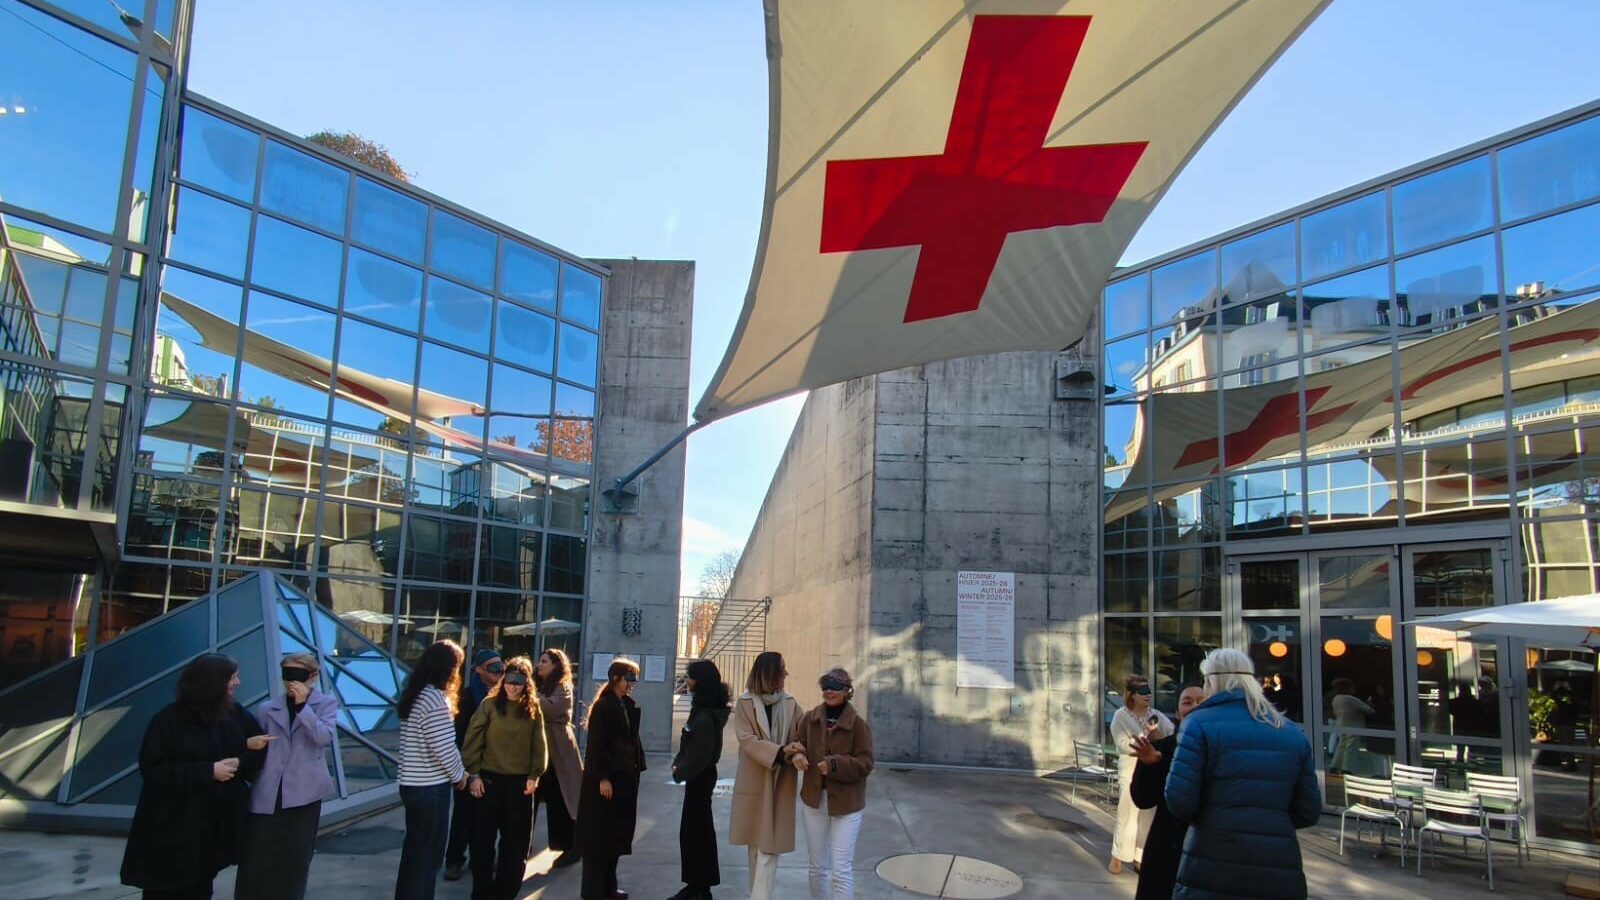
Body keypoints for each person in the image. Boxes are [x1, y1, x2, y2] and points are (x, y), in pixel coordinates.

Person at [1165, 648, 1322, 899]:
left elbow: (1179, 800)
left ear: (1211, 681)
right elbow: (1309, 810)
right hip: (1278, 865)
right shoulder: (1290, 731)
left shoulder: (1198, 723)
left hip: (1212, 860)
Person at [121, 653, 273, 899]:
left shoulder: (234, 714)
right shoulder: (168, 720)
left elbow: (254, 751)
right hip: (172, 828)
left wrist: (238, 761)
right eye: (232, 678)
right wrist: (208, 771)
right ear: (213, 682)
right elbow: (153, 767)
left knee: (201, 885)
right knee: (168, 888)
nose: (238, 683)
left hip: (212, 829)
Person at [236, 653, 338, 900]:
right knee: (256, 858)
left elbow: (323, 737)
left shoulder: (325, 704)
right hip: (268, 790)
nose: (291, 681)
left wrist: (303, 708)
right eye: (287, 674)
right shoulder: (267, 708)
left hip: (304, 793)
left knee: (294, 858)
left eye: (298, 674)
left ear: (312, 676)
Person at [462, 655, 547, 900]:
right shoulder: (489, 706)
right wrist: (473, 774)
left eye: (519, 682)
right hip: (489, 781)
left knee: (516, 844)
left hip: (520, 784)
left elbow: (539, 745)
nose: (513, 686)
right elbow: (472, 740)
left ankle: (506, 893)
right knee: (482, 842)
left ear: (526, 684)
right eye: (509, 681)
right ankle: (482, 891)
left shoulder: (532, 709)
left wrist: (535, 774)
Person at [787, 667, 875, 900]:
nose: (829, 691)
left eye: (835, 687)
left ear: (847, 691)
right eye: (825, 686)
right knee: (816, 867)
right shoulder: (811, 718)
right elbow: (797, 742)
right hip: (814, 802)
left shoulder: (858, 725)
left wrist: (835, 765)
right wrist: (796, 755)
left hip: (847, 805)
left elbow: (866, 763)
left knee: (841, 870)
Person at [393, 640, 469, 900]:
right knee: (428, 856)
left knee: (415, 853)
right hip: (430, 787)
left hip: (412, 784)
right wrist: (460, 775)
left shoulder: (415, 693)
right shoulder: (435, 699)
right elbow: (444, 747)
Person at [729, 651, 803, 900]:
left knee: (769, 849)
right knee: (754, 846)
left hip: (781, 782)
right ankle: (757, 894)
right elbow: (747, 740)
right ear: (770, 673)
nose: (786, 674)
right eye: (782, 669)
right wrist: (781, 752)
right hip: (754, 781)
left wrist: (795, 752)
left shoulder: (791, 703)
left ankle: (759, 897)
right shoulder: (745, 703)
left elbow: (800, 736)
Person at [575, 657, 646, 900]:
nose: (633, 683)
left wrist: (638, 765)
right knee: (598, 841)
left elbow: (631, 740)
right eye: (629, 678)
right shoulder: (604, 706)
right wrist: (602, 777)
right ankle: (594, 892)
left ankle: (608, 888)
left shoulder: (624, 704)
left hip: (623, 781)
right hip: (606, 783)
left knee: (613, 839)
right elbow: (596, 747)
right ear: (616, 679)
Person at [1129, 685, 1204, 900]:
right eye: (1187, 702)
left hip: (1205, 852)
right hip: (1165, 853)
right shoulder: (1163, 747)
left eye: (1201, 701)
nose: (1194, 706)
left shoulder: (1222, 749)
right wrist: (1148, 765)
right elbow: (1142, 800)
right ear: (1178, 710)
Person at [669, 659, 732, 900]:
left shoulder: (706, 717)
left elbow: (699, 756)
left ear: (702, 682)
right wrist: (680, 761)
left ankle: (699, 887)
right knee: (695, 831)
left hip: (699, 778)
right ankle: (696, 885)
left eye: (692, 677)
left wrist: (679, 771)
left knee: (696, 833)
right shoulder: (703, 710)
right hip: (700, 777)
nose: (689, 681)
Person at [446, 649, 504, 881]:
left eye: (501, 667)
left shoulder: (503, 696)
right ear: (478, 669)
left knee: (488, 820)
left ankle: (480, 860)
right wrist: (466, 771)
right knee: (463, 816)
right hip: (469, 766)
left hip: (494, 767)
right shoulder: (468, 696)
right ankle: (454, 861)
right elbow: (459, 735)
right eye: (493, 667)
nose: (498, 672)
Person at [1108, 674, 1173, 874]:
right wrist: (1145, 743)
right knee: (1127, 814)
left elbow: (1170, 734)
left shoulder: (1156, 715)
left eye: (1149, 691)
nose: (1148, 696)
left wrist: (1155, 736)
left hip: (1152, 770)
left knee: (1148, 816)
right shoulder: (1121, 715)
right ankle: (1118, 855)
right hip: (1130, 769)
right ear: (1133, 695)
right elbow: (1122, 744)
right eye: (1143, 692)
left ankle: (1140, 857)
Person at [533, 648, 583, 868]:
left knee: (562, 800)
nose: (539, 664)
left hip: (558, 752)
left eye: (544, 661)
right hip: (537, 751)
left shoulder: (562, 686)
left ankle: (571, 847)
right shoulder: (536, 685)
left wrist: (530, 697)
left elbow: (553, 708)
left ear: (556, 665)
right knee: (531, 800)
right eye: (540, 660)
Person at [1327, 677, 1374, 774]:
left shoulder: (1336, 699)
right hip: (1354, 725)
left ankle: (1335, 765)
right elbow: (1368, 710)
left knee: (1341, 745)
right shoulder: (1351, 699)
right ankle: (1347, 768)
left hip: (1341, 724)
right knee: (1351, 748)